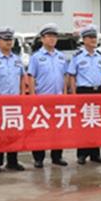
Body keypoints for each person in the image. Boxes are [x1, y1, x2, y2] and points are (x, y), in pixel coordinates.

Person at [0, 26, 27, 173]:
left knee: (13, 132)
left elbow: (22, 78)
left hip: (14, 102)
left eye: (10, 39)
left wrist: (22, 95)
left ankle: (12, 161)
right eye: (5, 39)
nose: (9, 42)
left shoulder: (17, 60)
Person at [28, 23, 69, 168]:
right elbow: (31, 77)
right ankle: (38, 158)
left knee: (58, 129)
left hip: (58, 98)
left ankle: (57, 156)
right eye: (49, 36)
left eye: (54, 36)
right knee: (40, 129)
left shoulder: (61, 56)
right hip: (42, 98)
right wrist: (32, 96)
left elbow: (65, 76)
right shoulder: (36, 57)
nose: (52, 39)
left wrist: (65, 93)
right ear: (42, 39)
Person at [67, 24, 101, 164]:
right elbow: (72, 75)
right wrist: (73, 93)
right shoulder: (77, 57)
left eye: (94, 37)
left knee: (96, 122)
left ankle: (95, 154)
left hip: (97, 91)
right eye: (90, 37)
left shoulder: (100, 56)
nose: (93, 40)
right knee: (84, 124)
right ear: (84, 40)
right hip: (84, 91)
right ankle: (82, 154)